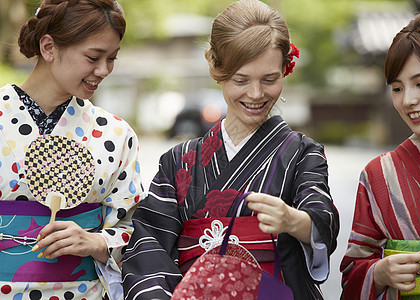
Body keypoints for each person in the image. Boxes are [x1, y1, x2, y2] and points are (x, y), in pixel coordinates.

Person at [122, 0, 339, 299]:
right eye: (241, 80)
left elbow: (321, 217)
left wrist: (293, 220)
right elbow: (150, 243)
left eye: (269, 79)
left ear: (285, 71)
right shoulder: (178, 161)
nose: (256, 94)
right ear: (215, 67)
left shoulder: (302, 153)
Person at [0, 0, 146, 299]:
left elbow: (137, 229)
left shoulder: (115, 133)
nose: (104, 70)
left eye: (112, 58)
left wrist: (96, 243)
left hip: (84, 292)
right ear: (49, 47)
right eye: (93, 57)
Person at [340, 9, 420, 300]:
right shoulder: (379, 174)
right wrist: (379, 273)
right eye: (397, 88)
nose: (408, 100)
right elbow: (353, 269)